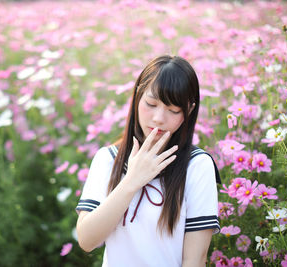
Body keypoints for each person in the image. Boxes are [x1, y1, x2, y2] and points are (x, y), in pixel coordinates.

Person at [75, 55, 220, 266]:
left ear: (188, 111)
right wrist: (132, 181)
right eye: (151, 104)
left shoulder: (197, 166)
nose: (159, 118)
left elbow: (195, 259)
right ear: (137, 97)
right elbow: (87, 240)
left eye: (173, 110)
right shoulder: (108, 159)